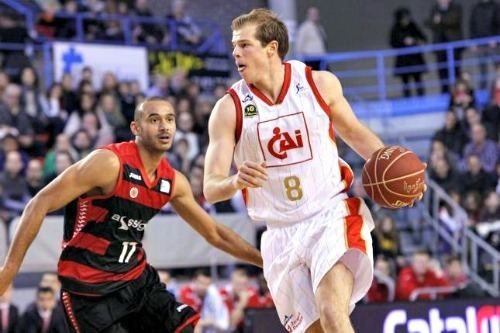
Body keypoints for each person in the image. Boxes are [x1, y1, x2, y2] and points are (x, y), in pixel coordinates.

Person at [203, 9, 425, 333]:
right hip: (279, 232)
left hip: (329, 215)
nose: (236, 53)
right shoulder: (228, 109)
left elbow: (355, 132)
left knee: (332, 312)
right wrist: (235, 181)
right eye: (234, 46)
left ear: (271, 48)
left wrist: (405, 173)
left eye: (245, 45)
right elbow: (210, 187)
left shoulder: (317, 84)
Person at [0, 97, 262, 333]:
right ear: (136, 128)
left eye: (170, 119)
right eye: (154, 119)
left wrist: (265, 263)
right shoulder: (108, 163)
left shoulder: (173, 181)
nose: (165, 126)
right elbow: (39, 203)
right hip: (88, 290)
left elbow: (215, 233)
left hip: (136, 281)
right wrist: (9, 269)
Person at [389, 7, 427, 97]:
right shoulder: (395, 29)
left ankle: (421, 96)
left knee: (418, 79)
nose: (405, 20)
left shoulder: (413, 26)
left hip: (415, 58)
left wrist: (414, 40)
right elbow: (392, 43)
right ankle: (407, 97)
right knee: (405, 81)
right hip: (403, 60)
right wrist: (403, 41)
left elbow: (423, 37)